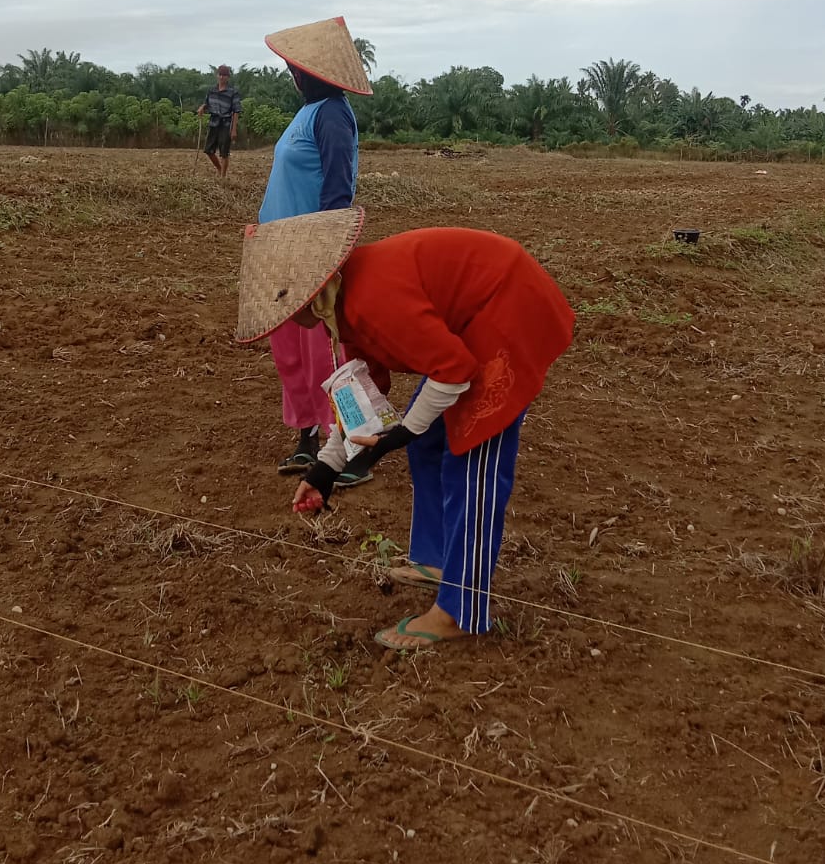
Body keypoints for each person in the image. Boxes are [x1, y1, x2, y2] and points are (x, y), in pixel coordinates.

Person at [235, 208, 575, 650]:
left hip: (508, 307)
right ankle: (438, 560)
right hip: (473, 321)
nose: (284, 324)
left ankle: (460, 610)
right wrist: (326, 468)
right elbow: (364, 395)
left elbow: (454, 369)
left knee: (472, 459)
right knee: (429, 443)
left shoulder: (371, 299)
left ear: (302, 296)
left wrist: (404, 431)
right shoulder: (340, 303)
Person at [257, 17, 373, 486]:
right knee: (292, 353)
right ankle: (308, 434)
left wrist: (328, 253)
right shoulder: (308, 113)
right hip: (280, 248)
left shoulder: (332, 114)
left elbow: (338, 187)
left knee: (327, 351)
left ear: (308, 73)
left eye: (295, 69)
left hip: (312, 248)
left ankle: (354, 445)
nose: (292, 75)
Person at [195, 65, 241, 179]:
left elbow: (236, 111)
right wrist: (202, 107)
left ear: (228, 77)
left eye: (224, 75)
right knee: (208, 150)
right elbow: (207, 103)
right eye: (220, 75)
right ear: (217, 76)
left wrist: (234, 129)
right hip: (213, 122)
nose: (221, 77)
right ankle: (219, 168)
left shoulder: (233, 92)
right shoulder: (212, 90)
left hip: (226, 124)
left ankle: (223, 177)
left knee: (224, 152)